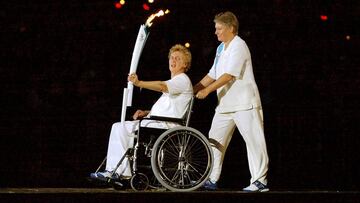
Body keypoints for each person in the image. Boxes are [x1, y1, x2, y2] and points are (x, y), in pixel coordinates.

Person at [90, 44, 193, 181]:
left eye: (178, 59)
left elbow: (162, 86)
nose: (173, 61)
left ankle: (119, 172)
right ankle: (117, 170)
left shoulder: (182, 80)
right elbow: (170, 108)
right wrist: (146, 112)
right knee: (120, 127)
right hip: (156, 122)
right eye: (172, 57)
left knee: (119, 127)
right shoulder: (175, 81)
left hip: (165, 127)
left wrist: (139, 83)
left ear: (185, 64)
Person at [193, 11, 269, 192]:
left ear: (231, 28)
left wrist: (207, 91)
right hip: (225, 105)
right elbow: (213, 74)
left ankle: (260, 181)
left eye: (219, 28)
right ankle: (212, 179)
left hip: (245, 104)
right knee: (214, 141)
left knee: (254, 142)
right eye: (215, 28)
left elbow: (228, 75)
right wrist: (193, 89)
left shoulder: (239, 45)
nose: (216, 32)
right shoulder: (221, 48)